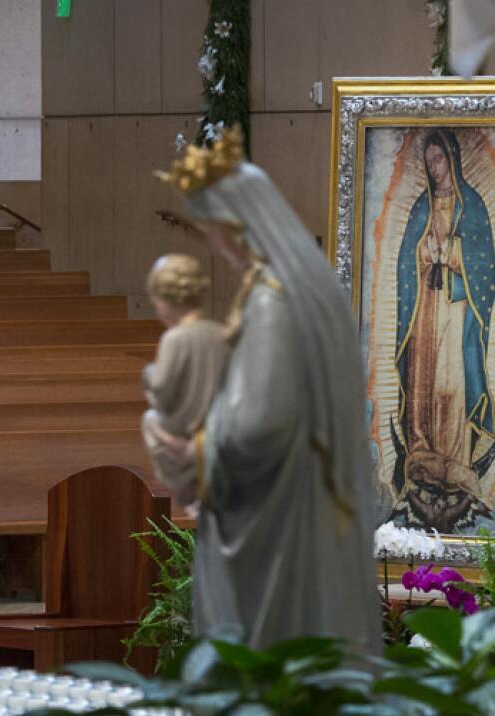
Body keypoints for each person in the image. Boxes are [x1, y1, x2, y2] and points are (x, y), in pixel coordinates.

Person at [154, 129, 382, 652]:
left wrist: (197, 450)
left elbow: (261, 421)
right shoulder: (305, 286)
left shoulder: (273, 302)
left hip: (282, 516)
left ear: (237, 226)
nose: (212, 243)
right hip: (312, 501)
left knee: (276, 656)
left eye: (212, 229)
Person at [394, 128, 495, 532]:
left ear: (452, 159)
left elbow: (485, 263)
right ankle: (421, 453)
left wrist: (451, 254)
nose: (435, 169)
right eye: (429, 161)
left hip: (456, 310)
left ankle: (454, 460)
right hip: (426, 309)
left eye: (440, 160)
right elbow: (407, 259)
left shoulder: (472, 207)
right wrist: (424, 254)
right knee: (423, 383)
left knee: (451, 385)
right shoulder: (422, 207)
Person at [140, 254, 228, 510]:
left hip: (184, 427)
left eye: (156, 300)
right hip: (214, 430)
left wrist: (149, 373)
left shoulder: (175, 338)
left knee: (151, 421)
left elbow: (163, 393)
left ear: (170, 299)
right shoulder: (222, 334)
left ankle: (187, 486)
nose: (156, 308)